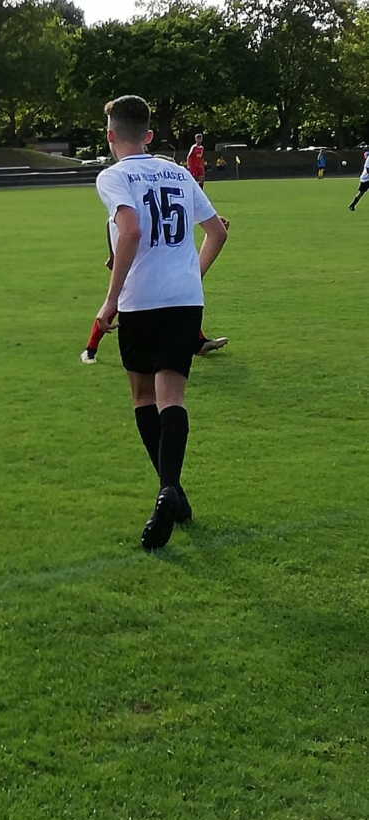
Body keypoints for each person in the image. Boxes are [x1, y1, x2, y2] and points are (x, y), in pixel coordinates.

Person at [94, 95, 227, 550]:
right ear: (149, 134)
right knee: (173, 396)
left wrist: (110, 299)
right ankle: (174, 494)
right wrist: (192, 275)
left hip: (141, 301)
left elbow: (129, 230)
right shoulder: (178, 172)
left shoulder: (113, 175)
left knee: (143, 397)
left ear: (110, 135)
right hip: (185, 301)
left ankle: (169, 489)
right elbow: (217, 231)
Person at [81, 218, 230, 362]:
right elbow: (114, 222)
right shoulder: (130, 207)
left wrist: (210, 220)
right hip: (135, 264)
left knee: (175, 298)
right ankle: (90, 349)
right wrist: (113, 254)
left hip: (151, 260)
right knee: (118, 301)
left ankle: (198, 342)